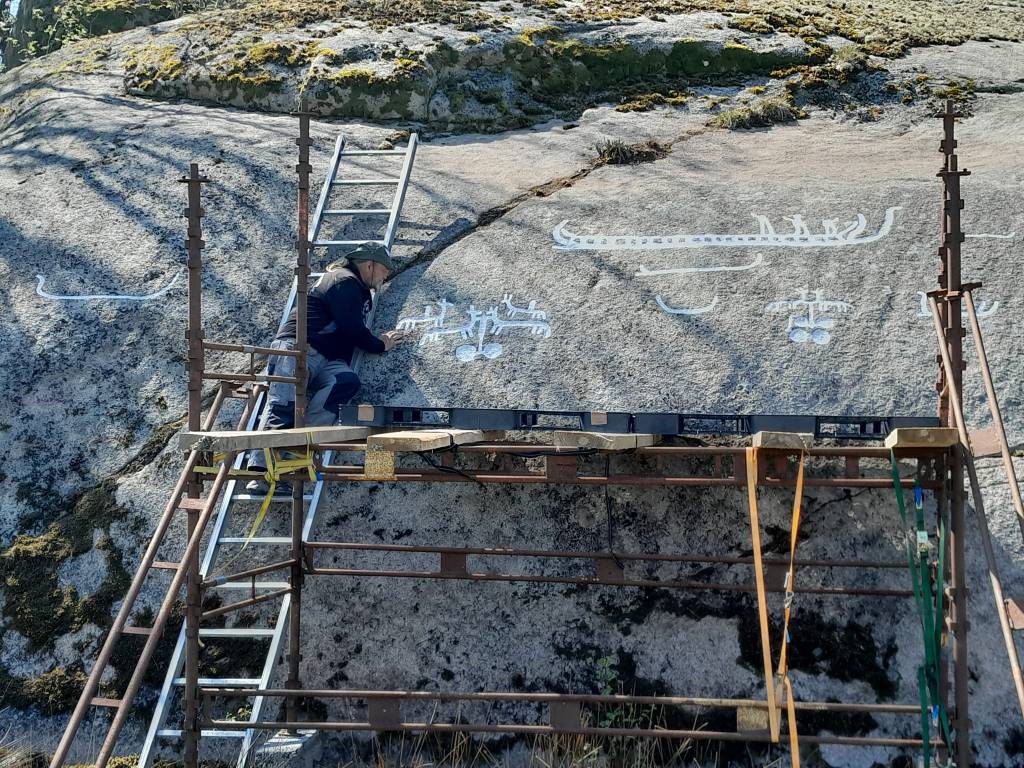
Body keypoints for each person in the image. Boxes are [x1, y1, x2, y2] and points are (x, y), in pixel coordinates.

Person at [246, 242, 400, 489]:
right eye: (384, 269)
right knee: (284, 406)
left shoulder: (356, 287)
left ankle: (300, 449)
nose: (387, 275)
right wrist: (380, 344)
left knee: (345, 382)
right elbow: (352, 327)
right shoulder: (343, 280)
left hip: (327, 358)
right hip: (300, 348)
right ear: (369, 264)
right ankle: (262, 473)